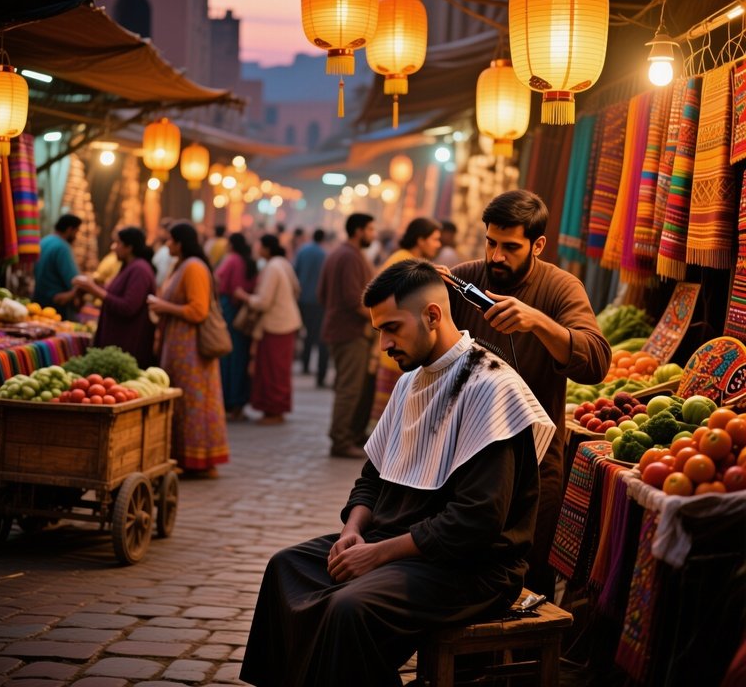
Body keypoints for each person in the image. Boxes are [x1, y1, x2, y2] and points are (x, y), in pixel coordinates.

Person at [240, 259, 555, 687]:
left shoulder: (492, 387)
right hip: (398, 543)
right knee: (286, 568)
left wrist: (377, 554)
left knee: (351, 609)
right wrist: (353, 531)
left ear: (432, 315)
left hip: (470, 568)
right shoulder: (410, 380)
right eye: (379, 331)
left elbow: (476, 521)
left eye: (392, 328)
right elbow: (373, 476)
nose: (384, 344)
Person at [442, 189, 611, 599]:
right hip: (462, 455)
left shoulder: (560, 287)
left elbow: (596, 361)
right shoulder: (463, 279)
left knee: (527, 579)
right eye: (491, 243)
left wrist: (539, 323)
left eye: (510, 247)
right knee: (457, 573)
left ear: (537, 245)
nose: (496, 256)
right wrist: (421, 291)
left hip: (533, 462)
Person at [147, 222, 229, 477]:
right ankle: (182, 457)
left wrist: (164, 307)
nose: (167, 244)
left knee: (194, 403)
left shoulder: (193, 267)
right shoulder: (181, 265)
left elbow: (198, 310)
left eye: (170, 240)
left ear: (180, 243)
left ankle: (200, 461)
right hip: (179, 346)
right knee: (182, 402)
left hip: (192, 350)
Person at [369, 218, 442, 426]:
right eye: (434, 239)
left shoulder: (409, 260)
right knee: (392, 414)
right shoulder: (404, 262)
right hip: (398, 347)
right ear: (420, 240)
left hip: (401, 345)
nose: (438, 245)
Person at [318, 213, 376, 458]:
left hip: (340, 328)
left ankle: (346, 435)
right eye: (370, 230)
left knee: (348, 386)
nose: (373, 234)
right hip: (350, 331)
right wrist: (378, 319)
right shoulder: (350, 256)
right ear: (359, 230)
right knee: (349, 389)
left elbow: (322, 294)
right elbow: (354, 300)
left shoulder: (339, 253)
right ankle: (340, 440)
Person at [234, 234, 302, 425]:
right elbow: (297, 289)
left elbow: (263, 302)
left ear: (266, 248)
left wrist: (244, 296)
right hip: (285, 323)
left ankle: (274, 411)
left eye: (259, 246)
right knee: (278, 370)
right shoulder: (283, 263)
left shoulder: (272, 267)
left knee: (273, 371)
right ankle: (274, 410)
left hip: (276, 326)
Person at [72, 227, 156, 368]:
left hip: (127, 346)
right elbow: (114, 293)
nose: (113, 247)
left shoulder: (140, 269)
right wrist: (90, 288)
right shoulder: (128, 266)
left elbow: (128, 307)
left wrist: (94, 289)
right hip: (118, 343)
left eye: (117, 243)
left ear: (129, 247)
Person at [216, 232, 258, 421]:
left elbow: (219, 281)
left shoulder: (231, 259)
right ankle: (239, 402)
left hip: (229, 311)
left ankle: (228, 401)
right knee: (240, 358)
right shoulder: (248, 262)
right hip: (242, 314)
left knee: (227, 357)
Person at [294, 228, 328, 387]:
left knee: (306, 333)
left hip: (302, 299)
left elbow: (296, 271)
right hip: (317, 301)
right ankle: (317, 371)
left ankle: (305, 364)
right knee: (317, 335)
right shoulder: (324, 254)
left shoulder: (303, 251)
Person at [33, 213, 82, 320]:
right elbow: (74, 280)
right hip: (56, 306)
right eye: (76, 231)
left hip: (38, 301)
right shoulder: (62, 247)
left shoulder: (44, 241)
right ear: (69, 229)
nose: (76, 236)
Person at [151, 218, 177, 290]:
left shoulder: (166, 251)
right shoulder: (162, 249)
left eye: (161, 229)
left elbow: (162, 275)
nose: (158, 232)